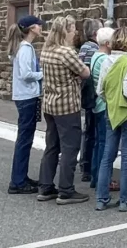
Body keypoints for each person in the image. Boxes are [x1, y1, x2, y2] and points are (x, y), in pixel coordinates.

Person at [36, 15, 91, 205]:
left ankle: (45, 186)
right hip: (67, 105)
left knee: (52, 146)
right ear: (66, 31)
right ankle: (66, 190)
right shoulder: (66, 53)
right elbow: (85, 72)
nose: (75, 31)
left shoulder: (46, 51)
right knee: (70, 148)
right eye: (73, 28)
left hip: (50, 103)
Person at [94, 27, 127, 212]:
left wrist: (110, 100)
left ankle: (102, 198)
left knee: (107, 155)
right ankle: (126, 200)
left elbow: (100, 90)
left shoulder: (106, 61)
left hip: (111, 110)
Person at [7, 16, 44, 194]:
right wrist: (42, 74)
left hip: (24, 96)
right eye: (38, 26)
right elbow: (26, 74)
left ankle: (21, 177)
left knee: (25, 139)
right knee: (24, 140)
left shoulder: (22, 47)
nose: (41, 28)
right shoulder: (25, 48)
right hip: (27, 96)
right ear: (31, 28)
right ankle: (18, 181)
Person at [88, 27, 117, 190]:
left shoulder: (95, 56)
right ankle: (103, 179)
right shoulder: (105, 59)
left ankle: (96, 176)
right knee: (106, 144)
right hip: (103, 104)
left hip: (96, 105)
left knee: (99, 142)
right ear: (107, 43)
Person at [78, 19, 103, 182]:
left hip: (87, 94)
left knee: (89, 130)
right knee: (92, 131)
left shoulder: (84, 47)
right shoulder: (93, 49)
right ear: (95, 34)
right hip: (93, 94)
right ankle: (88, 165)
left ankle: (85, 164)